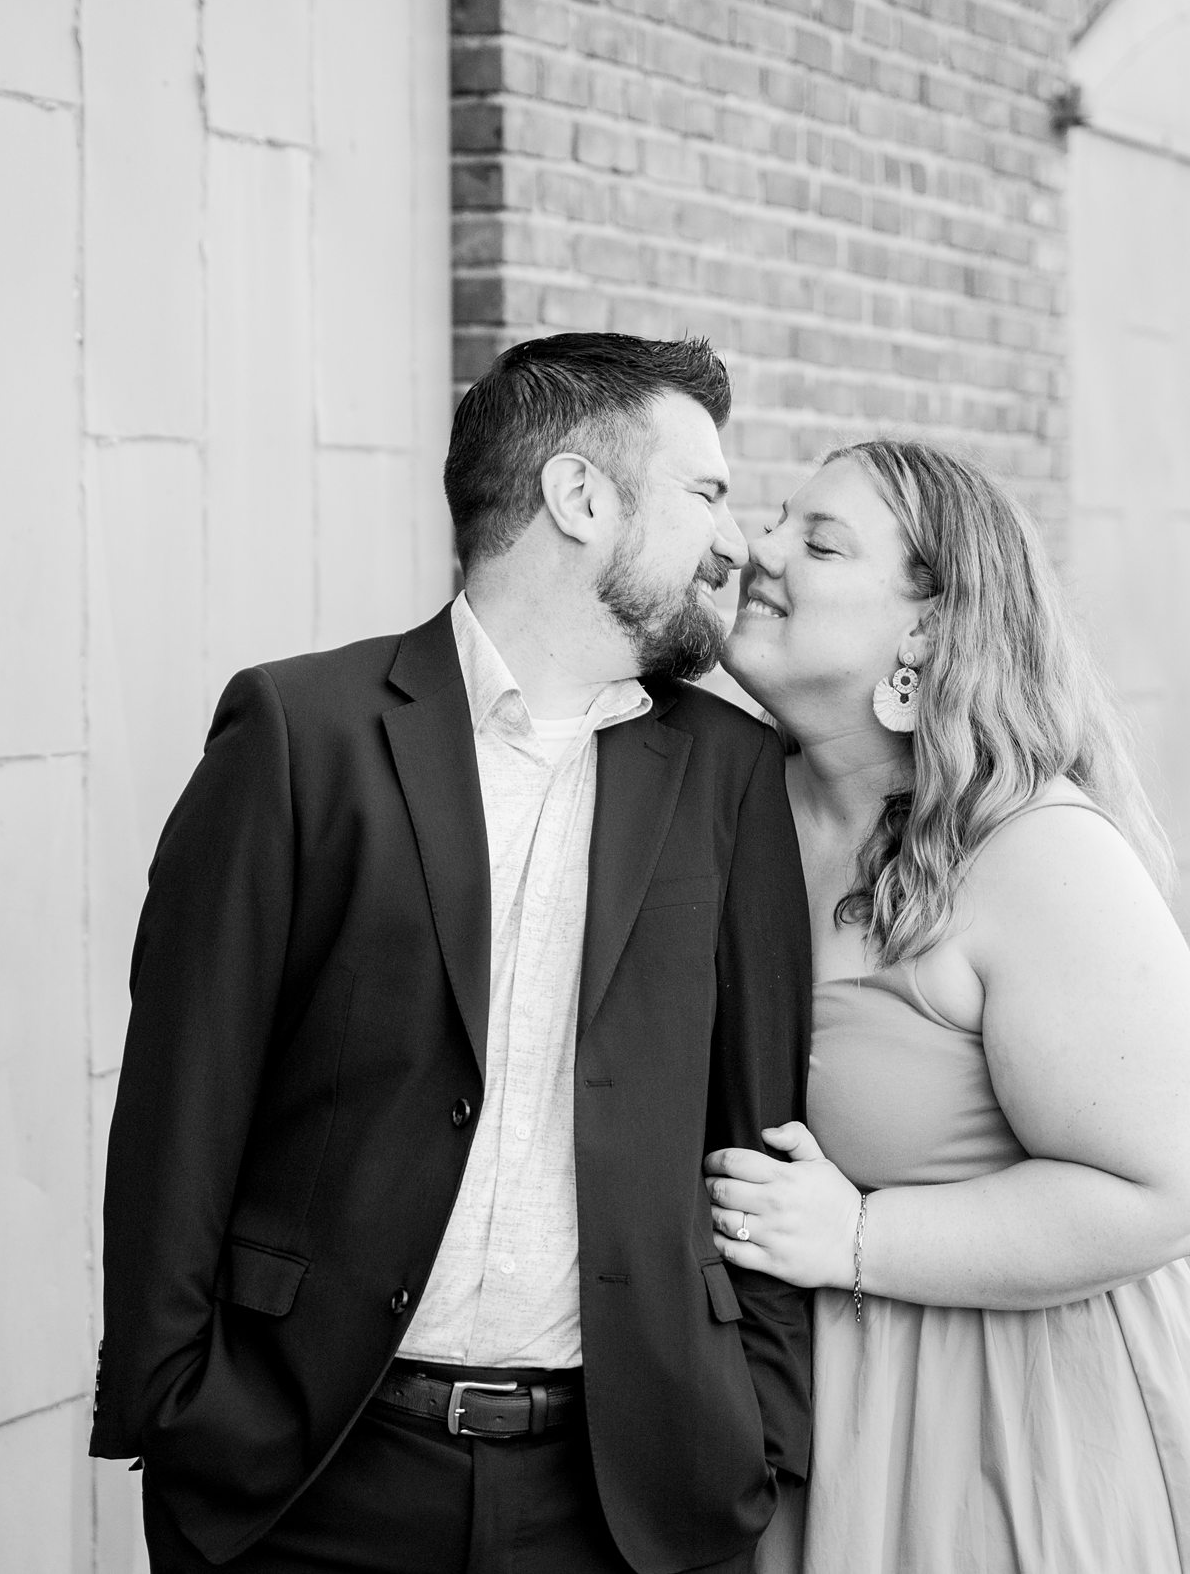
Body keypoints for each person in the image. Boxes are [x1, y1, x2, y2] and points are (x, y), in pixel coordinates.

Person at [91, 333, 815, 1574]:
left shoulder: (732, 778)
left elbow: (755, 1127)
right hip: (309, 1483)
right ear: (580, 498)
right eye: (706, 493)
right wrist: (179, 1407)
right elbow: (182, 1098)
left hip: (622, 1505)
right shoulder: (300, 735)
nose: (735, 541)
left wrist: (762, 1434)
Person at [703, 440, 1190, 1572]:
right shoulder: (726, 807)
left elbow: (1178, 1183)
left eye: (818, 541)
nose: (757, 550)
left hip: (1017, 1430)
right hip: (808, 1421)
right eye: (775, 519)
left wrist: (862, 1235)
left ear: (927, 631)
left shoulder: (1031, 852)